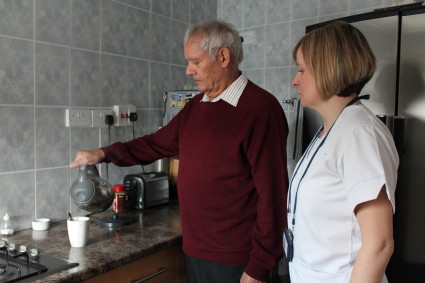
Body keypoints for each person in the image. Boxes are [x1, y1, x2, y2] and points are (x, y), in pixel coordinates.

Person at [70, 19, 289, 283]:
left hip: (238, 258)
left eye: (195, 62)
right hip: (196, 250)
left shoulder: (260, 110)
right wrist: (104, 153)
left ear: (223, 57)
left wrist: (259, 266)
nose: (188, 71)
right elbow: (154, 144)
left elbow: (274, 195)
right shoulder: (197, 106)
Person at [286, 21, 399, 282]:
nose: (295, 80)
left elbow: (380, 244)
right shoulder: (331, 129)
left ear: (328, 70)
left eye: (302, 70)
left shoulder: (359, 133)